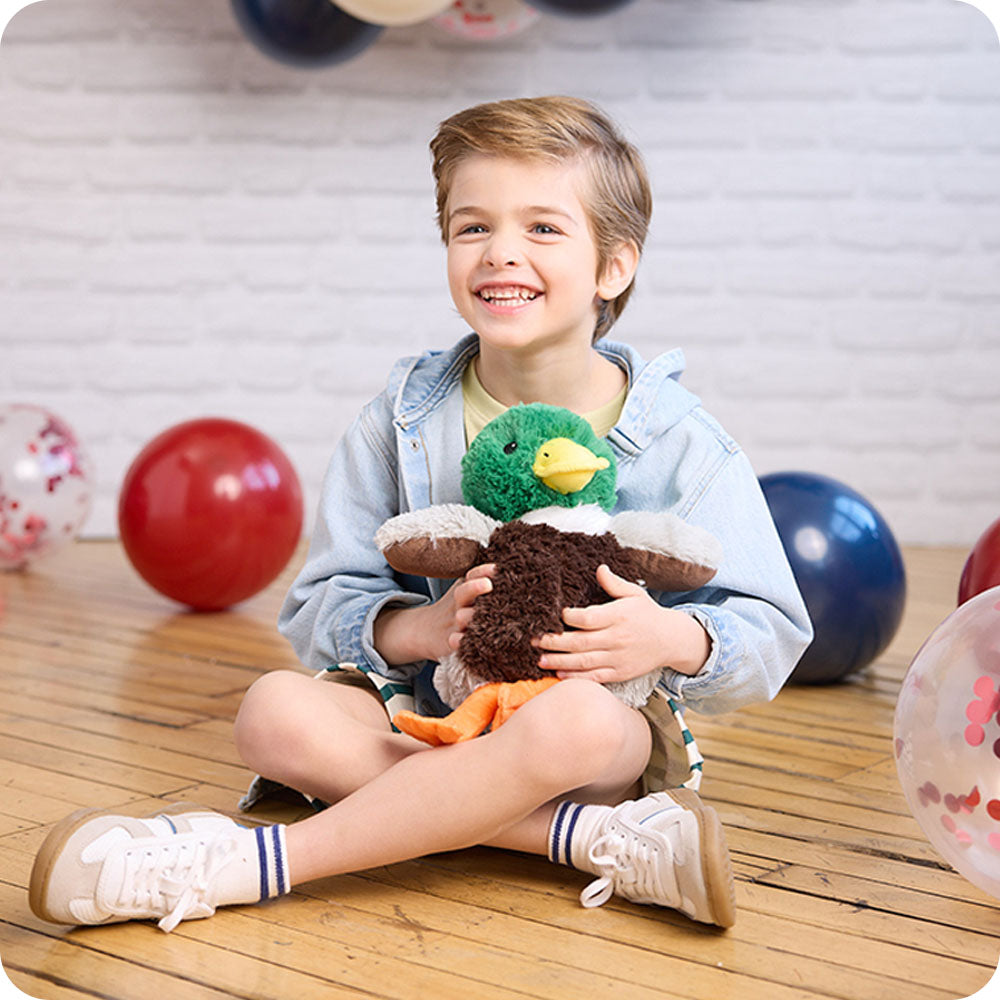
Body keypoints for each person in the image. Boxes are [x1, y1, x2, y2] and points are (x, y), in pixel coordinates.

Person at [28, 96, 811, 935]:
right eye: (472, 228)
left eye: (543, 229)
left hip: (586, 732)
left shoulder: (683, 443)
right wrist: (419, 631)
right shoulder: (397, 420)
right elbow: (320, 602)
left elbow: (775, 627)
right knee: (271, 710)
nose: (501, 251)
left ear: (613, 267)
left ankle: (243, 865)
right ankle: (586, 841)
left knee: (576, 722)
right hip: (424, 711)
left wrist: (671, 640)